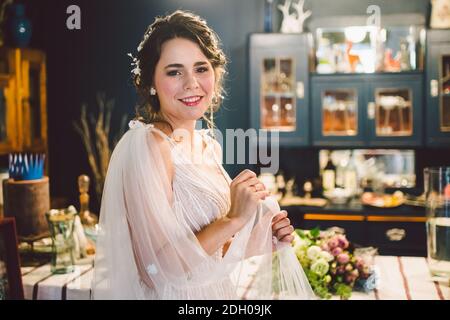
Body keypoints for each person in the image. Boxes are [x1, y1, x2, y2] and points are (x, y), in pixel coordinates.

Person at [92, 10, 314, 300]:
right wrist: (234, 218)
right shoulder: (149, 146)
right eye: (174, 71)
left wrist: (264, 240)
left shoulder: (208, 145)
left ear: (215, 74)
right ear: (150, 83)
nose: (191, 83)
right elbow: (154, 270)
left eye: (201, 68)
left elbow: (207, 254)